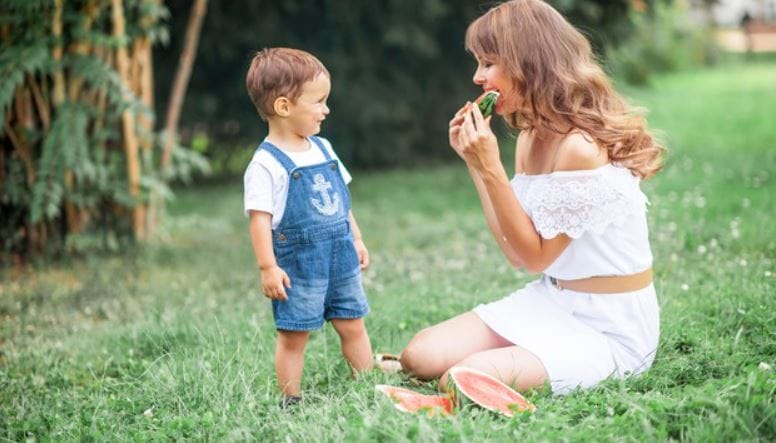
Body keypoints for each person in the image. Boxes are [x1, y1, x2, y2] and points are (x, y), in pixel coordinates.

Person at [391, 0, 666, 395]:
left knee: (461, 378)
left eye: (488, 63)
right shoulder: (529, 138)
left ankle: (524, 366)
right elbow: (517, 253)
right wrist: (475, 164)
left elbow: (537, 256)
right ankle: (522, 360)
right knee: (418, 357)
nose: (477, 76)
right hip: (552, 301)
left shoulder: (580, 148)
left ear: (528, 62)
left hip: (608, 326)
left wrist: (492, 168)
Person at [244, 48, 373, 408]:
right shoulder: (265, 165)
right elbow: (260, 219)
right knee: (294, 334)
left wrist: (357, 238)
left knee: (353, 323)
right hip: (299, 265)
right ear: (284, 107)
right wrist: (268, 267)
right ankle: (292, 399)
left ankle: (366, 387)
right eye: (319, 101)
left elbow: (341, 200)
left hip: (341, 255)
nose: (326, 109)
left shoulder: (323, 147)